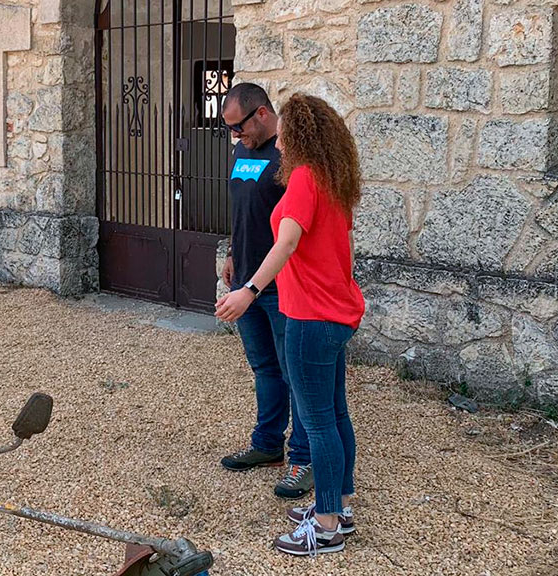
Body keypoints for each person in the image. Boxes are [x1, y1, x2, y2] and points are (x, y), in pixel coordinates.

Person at [215, 93, 365, 556]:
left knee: (318, 422)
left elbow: (286, 244)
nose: (279, 145)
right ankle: (338, 506)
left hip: (310, 315)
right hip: (338, 313)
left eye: (286, 137)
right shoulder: (331, 179)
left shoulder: (302, 179)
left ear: (297, 136)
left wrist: (249, 290)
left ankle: (324, 527)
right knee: (336, 414)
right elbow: (342, 251)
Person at [218, 83, 313, 500]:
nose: (235, 137)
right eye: (230, 131)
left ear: (261, 114)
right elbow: (242, 207)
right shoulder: (241, 152)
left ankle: (305, 457)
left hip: (278, 287)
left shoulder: (289, 158)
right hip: (244, 279)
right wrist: (232, 251)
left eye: (239, 127)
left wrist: (256, 282)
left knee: (296, 374)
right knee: (264, 369)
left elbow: (293, 230)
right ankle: (268, 444)